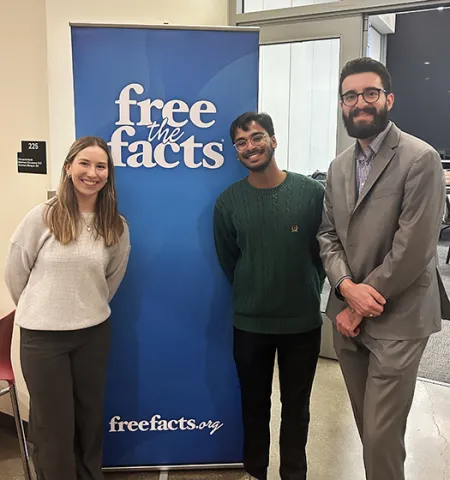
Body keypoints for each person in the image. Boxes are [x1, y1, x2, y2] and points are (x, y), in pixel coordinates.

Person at [317, 57, 450, 480]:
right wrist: (344, 285)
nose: (360, 103)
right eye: (350, 95)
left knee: (378, 433)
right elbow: (327, 236)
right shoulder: (338, 167)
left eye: (370, 93)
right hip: (348, 318)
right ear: (341, 105)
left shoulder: (420, 158)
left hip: (399, 318)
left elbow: (414, 248)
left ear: (388, 99)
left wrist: (359, 302)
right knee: (371, 429)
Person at [5, 136, 131, 480]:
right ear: (68, 167)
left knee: (90, 419)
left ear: (109, 174)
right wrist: (42, 309)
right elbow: (16, 273)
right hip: (43, 340)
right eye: (85, 164)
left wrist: (85, 307)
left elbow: (111, 280)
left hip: (93, 335)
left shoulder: (115, 226)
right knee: (53, 426)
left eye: (101, 166)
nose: (92, 173)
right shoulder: (42, 218)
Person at [213, 112, 325, 480]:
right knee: (253, 406)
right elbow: (230, 259)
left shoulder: (311, 193)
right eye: (241, 143)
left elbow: (324, 253)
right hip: (250, 324)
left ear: (273, 141)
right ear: (236, 152)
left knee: (297, 408)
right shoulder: (228, 202)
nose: (250, 147)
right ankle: (254, 472)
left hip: (302, 323)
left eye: (257, 137)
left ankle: (294, 473)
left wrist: (304, 284)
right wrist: (255, 289)